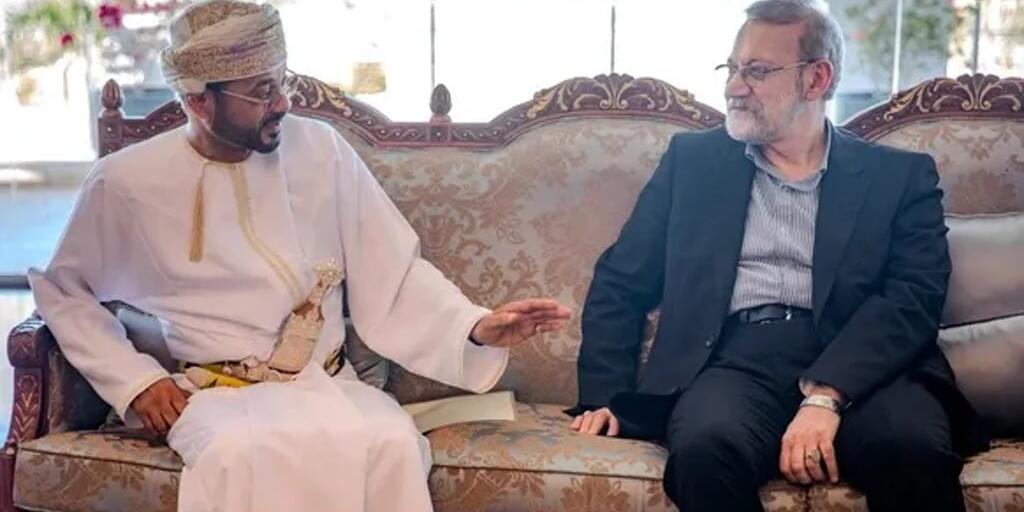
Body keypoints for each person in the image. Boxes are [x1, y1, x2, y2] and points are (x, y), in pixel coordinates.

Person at [28, 1, 570, 511]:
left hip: (330, 386)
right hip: (217, 399)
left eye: (282, 81)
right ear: (198, 100)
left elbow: (393, 275)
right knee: (237, 456)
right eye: (261, 92)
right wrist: (137, 382)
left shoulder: (321, 150)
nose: (283, 103)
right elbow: (64, 290)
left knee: (392, 443)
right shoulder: (127, 181)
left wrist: (474, 328)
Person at [568, 1, 986, 511]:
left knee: (911, 450)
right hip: (735, 361)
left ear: (817, 79)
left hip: (870, 365)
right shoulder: (692, 163)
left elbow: (914, 297)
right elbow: (621, 279)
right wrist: (604, 397)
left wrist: (826, 395)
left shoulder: (899, 176)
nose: (734, 86)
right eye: (732, 68)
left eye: (757, 71)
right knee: (705, 451)